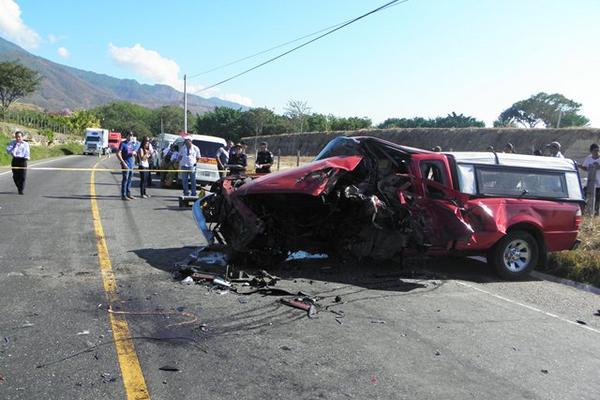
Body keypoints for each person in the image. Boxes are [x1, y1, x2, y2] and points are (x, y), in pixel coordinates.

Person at [5, 130, 30, 195]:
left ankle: (21, 189)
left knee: (23, 176)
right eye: (16, 137)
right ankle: (19, 186)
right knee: (15, 176)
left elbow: (27, 152)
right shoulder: (13, 142)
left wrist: (26, 158)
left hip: (23, 160)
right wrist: (12, 147)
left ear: (22, 137)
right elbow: (8, 150)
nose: (18, 138)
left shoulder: (25, 144)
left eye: (19, 137)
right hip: (15, 160)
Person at [116, 131, 138, 201]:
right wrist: (123, 162)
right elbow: (118, 153)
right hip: (125, 164)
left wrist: (135, 154)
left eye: (132, 135)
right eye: (129, 135)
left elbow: (133, 153)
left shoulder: (131, 144)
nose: (131, 137)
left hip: (131, 164)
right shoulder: (123, 144)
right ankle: (123, 195)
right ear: (127, 136)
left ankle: (128, 193)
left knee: (130, 179)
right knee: (125, 179)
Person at [580, 143, 600, 215]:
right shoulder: (588, 158)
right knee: (588, 199)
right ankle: (588, 213)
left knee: (597, 201)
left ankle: (596, 214)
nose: (597, 152)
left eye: (598, 150)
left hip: (599, 184)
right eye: (595, 150)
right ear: (591, 151)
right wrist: (580, 166)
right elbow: (585, 168)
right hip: (591, 183)